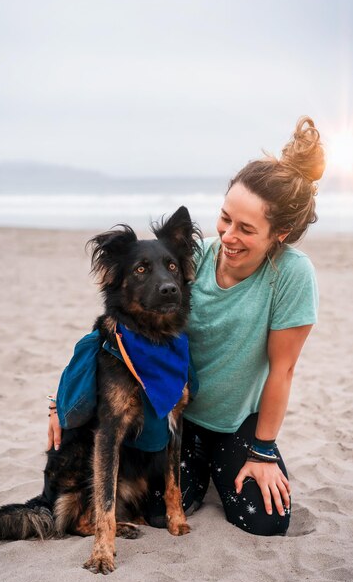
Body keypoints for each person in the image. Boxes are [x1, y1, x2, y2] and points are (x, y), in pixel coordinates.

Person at [47, 116, 325, 537]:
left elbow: (282, 370)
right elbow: (113, 327)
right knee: (155, 514)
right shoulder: (187, 260)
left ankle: (227, 463)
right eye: (225, 218)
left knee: (265, 520)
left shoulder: (291, 276)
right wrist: (62, 403)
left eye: (246, 229)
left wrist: (263, 451)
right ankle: (198, 471)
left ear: (279, 233)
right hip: (177, 415)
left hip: (237, 422)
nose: (228, 236)